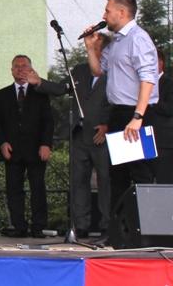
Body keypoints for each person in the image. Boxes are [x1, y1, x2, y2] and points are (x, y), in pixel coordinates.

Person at [84, 0, 158, 247]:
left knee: (141, 173)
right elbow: (98, 70)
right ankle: (119, 232)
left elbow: (148, 78)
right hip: (118, 113)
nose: (104, 15)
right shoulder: (116, 41)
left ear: (122, 12)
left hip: (136, 113)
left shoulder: (138, 38)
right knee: (117, 175)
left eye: (107, 10)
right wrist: (91, 48)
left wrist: (138, 116)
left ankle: (149, 233)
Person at [0, 55, 57, 238]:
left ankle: (38, 227)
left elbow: (48, 121)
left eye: (24, 66)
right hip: (12, 150)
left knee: (38, 189)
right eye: (16, 66)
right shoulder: (2, 94)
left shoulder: (40, 93)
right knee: (13, 190)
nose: (20, 69)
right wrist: (2, 143)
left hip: (36, 149)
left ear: (31, 69)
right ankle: (19, 226)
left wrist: (46, 144)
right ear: (11, 70)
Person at [68, 61, 111, 238]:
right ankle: (81, 225)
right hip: (80, 135)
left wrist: (108, 125)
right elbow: (62, 87)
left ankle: (108, 225)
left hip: (103, 136)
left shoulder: (115, 67)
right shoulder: (80, 69)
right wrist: (39, 82)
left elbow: (122, 100)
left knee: (106, 181)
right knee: (78, 181)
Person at [145, 49, 172, 183]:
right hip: (144, 138)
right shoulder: (141, 84)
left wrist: (152, 100)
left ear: (160, 63)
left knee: (164, 179)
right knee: (144, 178)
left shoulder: (169, 83)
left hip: (163, 141)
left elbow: (170, 109)